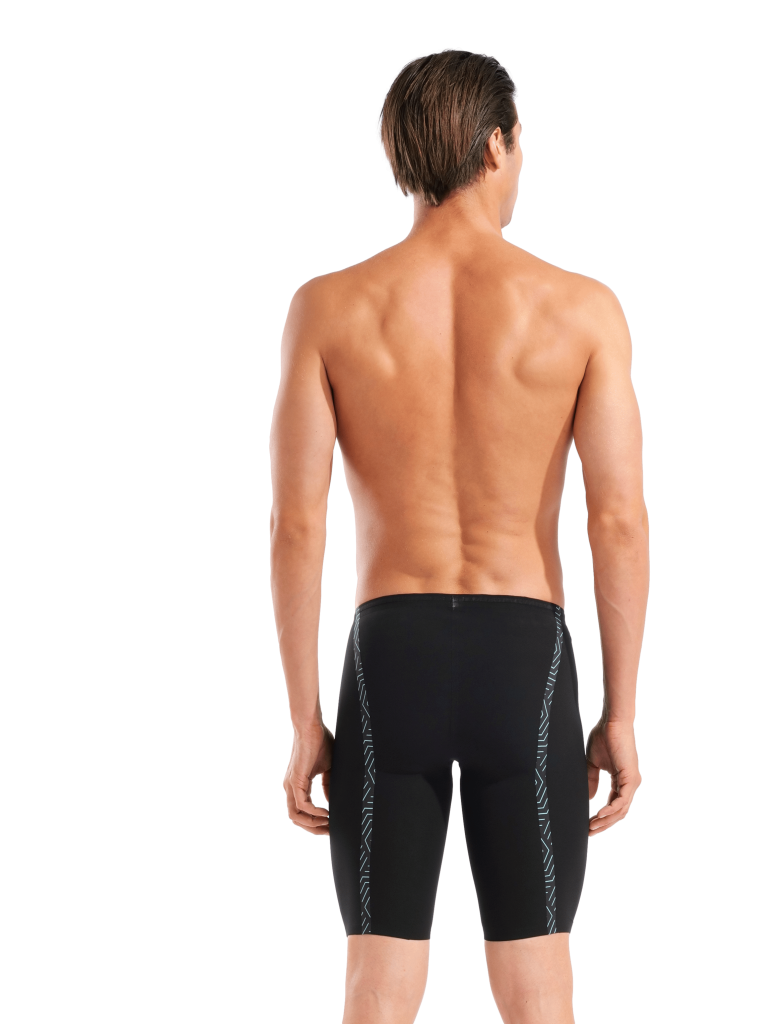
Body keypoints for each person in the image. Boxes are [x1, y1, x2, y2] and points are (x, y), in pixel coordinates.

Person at [268, 45, 649, 1024]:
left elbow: (297, 525)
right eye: (520, 144)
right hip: (524, 661)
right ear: (494, 147)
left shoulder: (326, 307)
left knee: (376, 988)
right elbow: (615, 520)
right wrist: (619, 713)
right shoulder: (583, 308)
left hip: (388, 657)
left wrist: (305, 719)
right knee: (539, 989)